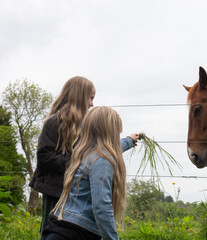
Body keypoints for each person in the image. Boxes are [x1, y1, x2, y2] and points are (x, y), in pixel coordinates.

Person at [29, 77, 138, 238]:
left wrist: (128, 141)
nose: (92, 103)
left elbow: (102, 150)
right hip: (56, 191)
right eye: (90, 97)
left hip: (76, 191)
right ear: (78, 96)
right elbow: (45, 156)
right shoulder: (55, 122)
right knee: (52, 228)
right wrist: (78, 163)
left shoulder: (87, 124)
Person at [42, 106, 131, 240]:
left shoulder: (83, 153)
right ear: (112, 133)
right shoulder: (103, 160)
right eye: (117, 133)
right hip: (77, 233)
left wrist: (129, 141)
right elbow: (101, 205)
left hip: (59, 228)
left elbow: (113, 148)